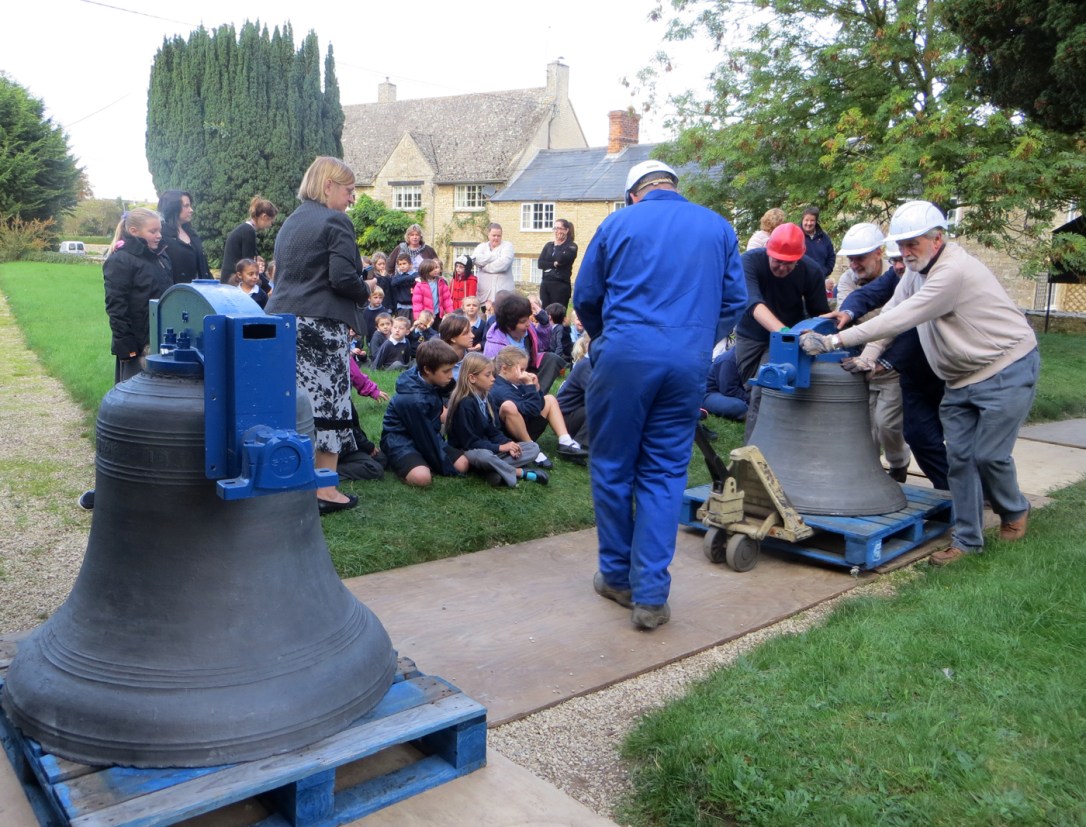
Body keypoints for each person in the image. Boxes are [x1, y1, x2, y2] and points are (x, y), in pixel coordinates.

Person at [800, 201, 1039, 566]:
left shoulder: (952, 272)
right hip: (960, 377)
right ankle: (967, 541)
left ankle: (1014, 509)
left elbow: (903, 318)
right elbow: (893, 310)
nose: (907, 252)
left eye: (913, 243)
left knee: (989, 455)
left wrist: (834, 341)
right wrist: (868, 355)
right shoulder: (915, 273)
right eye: (902, 244)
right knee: (959, 459)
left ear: (937, 239)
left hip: (1006, 368)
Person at [573, 159, 747, 631]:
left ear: (634, 193)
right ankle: (650, 597)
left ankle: (617, 578)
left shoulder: (617, 224)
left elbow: (585, 296)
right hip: (687, 362)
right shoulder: (718, 227)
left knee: (613, 468)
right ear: (673, 187)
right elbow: (735, 300)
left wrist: (608, 338)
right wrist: (697, 340)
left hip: (624, 357)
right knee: (665, 473)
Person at [265, 156, 369, 516]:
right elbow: (342, 278)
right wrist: (366, 291)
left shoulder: (291, 222)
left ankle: (293, 480)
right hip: (320, 325)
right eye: (349, 190)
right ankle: (324, 489)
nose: (352, 198)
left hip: (281, 322)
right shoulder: (335, 220)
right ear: (328, 186)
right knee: (330, 404)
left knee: (295, 402)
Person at [81, 208, 174, 511]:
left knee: (158, 416)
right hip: (136, 347)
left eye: (159, 230)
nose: (158, 235)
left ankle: (153, 480)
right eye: (152, 231)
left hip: (161, 346)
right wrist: (128, 348)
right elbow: (116, 305)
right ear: (134, 231)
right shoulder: (121, 260)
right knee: (129, 419)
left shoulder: (161, 257)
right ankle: (115, 485)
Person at [733, 222, 829, 441]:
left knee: (765, 389)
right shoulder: (749, 262)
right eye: (778, 261)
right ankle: (771, 441)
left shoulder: (811, 271)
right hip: (751, 336)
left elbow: (819, 314)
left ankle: (753, 451)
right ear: (768, 250)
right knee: (752, 389)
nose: (782, 268)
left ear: (799, 257)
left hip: (787, 342)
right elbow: (753, 303)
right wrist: (784, 331)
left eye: (789, 263)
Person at [833, 222, 910, 482]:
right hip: (861, 358)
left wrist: (879, 355)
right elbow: (851, 312)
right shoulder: (848, 280)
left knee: (887, 422)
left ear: (879, 253)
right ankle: (869, 472)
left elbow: (895, 321)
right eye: (851, 259)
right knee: (865, 423)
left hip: (893, 361)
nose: (854, 264)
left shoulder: (898, 273)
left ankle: (898, 464)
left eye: (860, 258)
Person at [445, 353, 548, 487]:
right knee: (484, 456)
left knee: (533, 447)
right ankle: (520, 472)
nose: (493, 379)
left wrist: (509, 444)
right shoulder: (465, 403)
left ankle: (492, 470)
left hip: (490, 448)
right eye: (488, 375)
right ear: (472, 378)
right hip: (468, 451)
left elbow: (494, 431)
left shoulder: (487, 398)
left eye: (493, 374)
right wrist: (500, 447)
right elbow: (469, 442)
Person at [379, 339, 471, 487]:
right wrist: (445, 467)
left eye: (451, 370)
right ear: (427, 370)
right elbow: (424, 437)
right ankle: (395, 460)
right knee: (422, 478)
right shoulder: (412, 399)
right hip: (400, 440)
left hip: (428, 433)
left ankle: (421, 462)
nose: (451, 376)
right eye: (446, 371)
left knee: (463, 464)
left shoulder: (430, 378)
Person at [489, 346, 588, 467]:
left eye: (525, 369)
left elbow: (538, 407)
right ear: (504, 369)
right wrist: (530, 387)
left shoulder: (516, 382)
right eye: (521, 369)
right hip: (511, 437)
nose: (524, 373)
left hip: (525, 426)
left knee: (550, 399)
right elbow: (530, 411)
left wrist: (536, 388)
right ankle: (531, 448)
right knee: (508, 406)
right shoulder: (499, 389)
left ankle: (565, 442)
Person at [483, 292, 566, 395]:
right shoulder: (495, 345)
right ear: (509, 325)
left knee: (552, 359)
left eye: (528, 319)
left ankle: (537, 396)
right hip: (508, 383)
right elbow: (494, 377)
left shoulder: (529, 331)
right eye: (523, 322)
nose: (528, 324)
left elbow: (543, 345)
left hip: (527, 369)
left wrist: (544, 322)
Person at [337, 360, 390, 482]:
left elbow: (355, 372)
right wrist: (368, 446)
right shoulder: (331, 398)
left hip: (347, 443)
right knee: (375, 469)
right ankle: (329, 470)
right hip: (335, 447)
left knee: (382, 459)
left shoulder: (344, 397)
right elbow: (345, 428)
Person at [157, 189, 212, 284]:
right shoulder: (161, 236)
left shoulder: (192, 233)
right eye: (186, 206)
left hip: (201, 289)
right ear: (173, 208)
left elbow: (203, 266)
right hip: (178, 290)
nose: (191, 210)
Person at [220, 196, 278, 284]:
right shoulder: (248, 231)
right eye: (270, 221)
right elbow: (248, 266)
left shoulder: (245, 229)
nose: (270, 225)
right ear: (264, 216)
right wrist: (268, 288)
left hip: (229, 280)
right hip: (233, 283)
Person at [554, 337, 592, 448]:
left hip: (577, 413)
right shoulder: (586, 365)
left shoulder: (594, 363)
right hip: (566, 418)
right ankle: (576, 444)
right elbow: (598, 395)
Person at [537, 219, 578, 309]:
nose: (556, 231)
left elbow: (560, 260)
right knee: (544, 312)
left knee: (556, 312)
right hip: (546, 282)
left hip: (560, 284)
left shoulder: (571, 246)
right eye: (555, 228)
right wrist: (553, 264)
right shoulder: (549, 245)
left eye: (559, 228)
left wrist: (558, 245)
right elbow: (540, 264)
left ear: (566, 230)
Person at [473, 223, 515, 304]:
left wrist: (484, 267)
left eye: (499, 236)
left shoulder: (508, 246)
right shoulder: (481, 247)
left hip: (504, 298)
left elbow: (503, 264)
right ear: (488, 235)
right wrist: (496, 257)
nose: (496, 238)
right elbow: (475, 259)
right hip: (483, 296)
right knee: (483, 312)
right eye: (494, 235)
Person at [702, 348, 749, 421]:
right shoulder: (728, 359)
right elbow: (728, 389)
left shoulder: (751, 356)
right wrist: (749, 398)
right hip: (710, 393)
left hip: (730, 393)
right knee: (739, 407)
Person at [800, 205, 836, 279]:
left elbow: (831, 256)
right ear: (802, 220)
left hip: (820, 278)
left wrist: (825, 271)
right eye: (806, 220)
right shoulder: (796, 236)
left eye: (812, 220)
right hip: (801, 279)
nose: (809, 223)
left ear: (816, 221)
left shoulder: (823, 237)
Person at [388, 252, 418, 319]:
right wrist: (407, 278)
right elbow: (393, 283)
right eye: (400, 264)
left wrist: (404, 278)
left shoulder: (416, 274)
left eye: (404, 263)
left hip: (414, 306)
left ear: (410, 264)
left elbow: (415, 277)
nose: (402, 266)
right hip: (402, 307)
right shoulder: (397, 277)